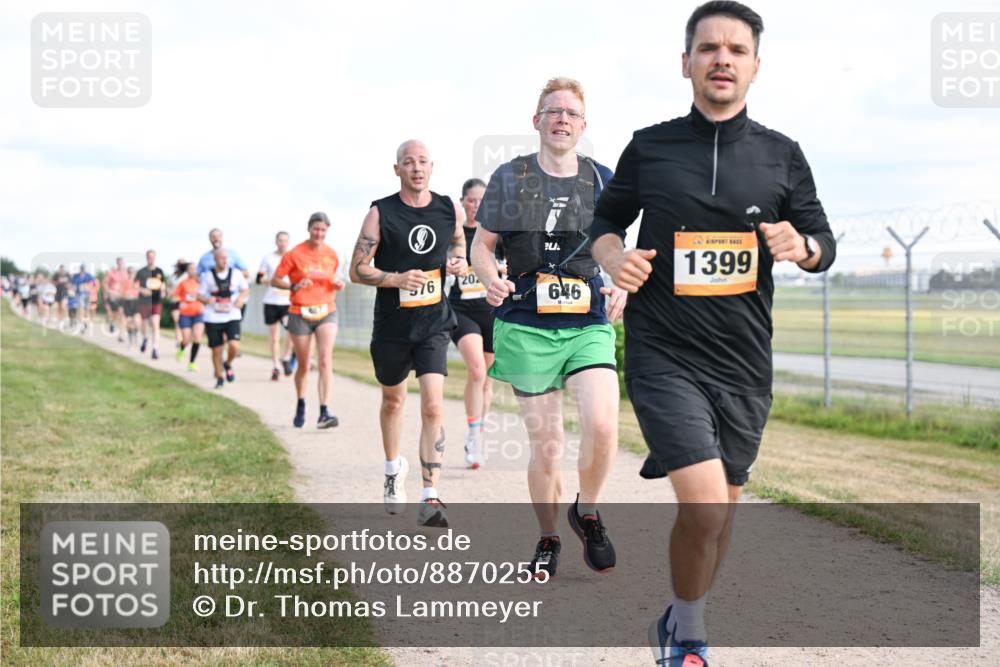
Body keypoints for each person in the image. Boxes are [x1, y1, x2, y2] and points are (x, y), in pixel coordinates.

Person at [589, 3, 838, 665]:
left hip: (744, 362)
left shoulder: (783, 155)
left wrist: (802, 244)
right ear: (686, 63)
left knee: (722, 514)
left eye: (735, 48)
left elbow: (825, 241)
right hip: (664, 350)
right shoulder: (650, 145)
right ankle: (689, 635)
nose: (721, 58)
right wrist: (613, 257)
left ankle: (680, 612)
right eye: (708, 48)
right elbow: (604, 221)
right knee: (701, 508)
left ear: (755, 65)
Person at [471, 77, 626, 581]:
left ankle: (588, 511)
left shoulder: (602, 179)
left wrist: (622, 281)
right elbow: (482, 246)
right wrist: (490, 278)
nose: (562, 118)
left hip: (587, 322)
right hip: (526, 323)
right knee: (549, 444)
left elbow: (614, 248)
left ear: (583, 125)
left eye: (571, 113)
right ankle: (549, 536)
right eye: (552, 110)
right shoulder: (510, 177)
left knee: (603, 426)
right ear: (536, 121)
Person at [349, 139, 467, 528]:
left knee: (433, 405)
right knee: (393, 400)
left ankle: (430, 495)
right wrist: (396, 277)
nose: (416, 168)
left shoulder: (448, 207)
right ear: (396, 169)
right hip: (393, 325)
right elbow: (357, 269)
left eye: (422, 162)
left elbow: (457, 239)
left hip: (434, 321)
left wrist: (458, 261)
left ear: (432, 167)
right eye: (408, 162)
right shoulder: (380, 213)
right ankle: (392, 467)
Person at [273, 213, 344, 429]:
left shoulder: (332, 254)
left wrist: (338, 284)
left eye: (323, 230)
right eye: (316, 229)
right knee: (303, 364)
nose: (319, 233)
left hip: (326, 310)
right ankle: (301, 402)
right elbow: (276, 279)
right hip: (300, 312)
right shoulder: (294, 254)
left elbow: (333, 278)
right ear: (309, 229)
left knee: (325, 360)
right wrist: (293, 286)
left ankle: (324, 411)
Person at [447, 178, 497, 470]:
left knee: (487, 378)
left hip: (490, 310)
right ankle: (472, 433)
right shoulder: (454, 235)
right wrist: (450, 265)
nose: (476, 205)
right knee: (477, 371)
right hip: (461, 309)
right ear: (463, 201)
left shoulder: (496, 234)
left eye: (481, 201)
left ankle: (478, 431)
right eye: (471, 200)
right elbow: (441, 260)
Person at [199, 249, 250, 389]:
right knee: (216, 350)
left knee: (234, 345)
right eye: (221, 258)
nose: (224, 260)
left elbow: (245, 289)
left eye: (226, 258)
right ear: (215, 259)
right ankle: (219, 377)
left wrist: (240, 299)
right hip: (213, 317)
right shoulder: (208, 276)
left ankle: (227, 363)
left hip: (232, 315)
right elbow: (200, 295)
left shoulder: (236, 274)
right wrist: (208, 299)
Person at [257, 231, 296, 381]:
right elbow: (259, 279)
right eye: (280, 240)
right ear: (276, 242)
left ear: (288, 242)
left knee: (291, 329)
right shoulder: (268, 258)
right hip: (271, 301)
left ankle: (285, 357)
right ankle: (275, 366)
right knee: (274, 337)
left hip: (288, 301)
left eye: (285, 241)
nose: (282, 243)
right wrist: (272, 281)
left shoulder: (292, 257)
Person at [171, 261, 204, 371]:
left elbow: (207, 295)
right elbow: (175, 297)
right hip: (185, 314)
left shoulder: (201, 283)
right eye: (191, 268)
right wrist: (181, 302)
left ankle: (192, 363)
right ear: (187, 270)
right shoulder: (183, 283)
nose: (193, 270)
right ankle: (182, 349)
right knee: (186, 338)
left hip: (198, 313)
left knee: (198, 337)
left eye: (195, 269)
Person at [136, 250, 166, 359]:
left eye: (153, 257)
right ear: (146, 258)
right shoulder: (141, 272)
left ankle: (155, 349)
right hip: (144, 301)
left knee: (155, 323)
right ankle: (145, 338)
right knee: (144, 324)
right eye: (149, 257)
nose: (151, 259)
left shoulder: (159, 271)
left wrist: (163, 291)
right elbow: (135, 285)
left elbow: (163, 284)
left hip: (156, 301)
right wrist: (142, 290)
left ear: (155, 258)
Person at [103, 257, 128, 341]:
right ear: (117, 263)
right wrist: (108, 292)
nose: (120, 264)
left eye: (122, 263)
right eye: (119, 263)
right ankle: (112, 322)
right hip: (113, 296)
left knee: (122, 314)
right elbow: (105, 283)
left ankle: (121, 335)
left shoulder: (126, 273)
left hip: (122, 296)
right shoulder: (112, 272)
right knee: (116, 314)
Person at [169, 259, 188, 355]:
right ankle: (178, 341)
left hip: (184, 302)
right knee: (177, 322)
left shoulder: (187, 276)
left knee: (183, 323)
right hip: (174, 301)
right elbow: (170, 288)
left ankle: (184, 340)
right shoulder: (173, 276)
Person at [71, 264, 96, 333]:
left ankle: (85, 322)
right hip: (79, 294)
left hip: (87, 294)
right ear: (80, 269)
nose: (82, 270)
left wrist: (90, 286)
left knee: (87, 309)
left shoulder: (88, 275)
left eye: (83, 269)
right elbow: (72, 284)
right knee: (81, 309)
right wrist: (74, 288)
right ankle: (81, 324)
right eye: (81, 269)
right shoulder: (76, 276)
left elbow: (94, 282)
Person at [122, 267, 141, 345]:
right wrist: (126, 295)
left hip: (136, 302)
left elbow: (141, 291)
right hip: (127, 302)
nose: (131, 274)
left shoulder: (138, 282)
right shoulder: (125, 282)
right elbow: (122, 293)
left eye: (132, 272)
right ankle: (130, 340)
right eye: (129, 272)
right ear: (127, 273)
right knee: (129, 321)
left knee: (136, 320)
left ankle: (136, 334)